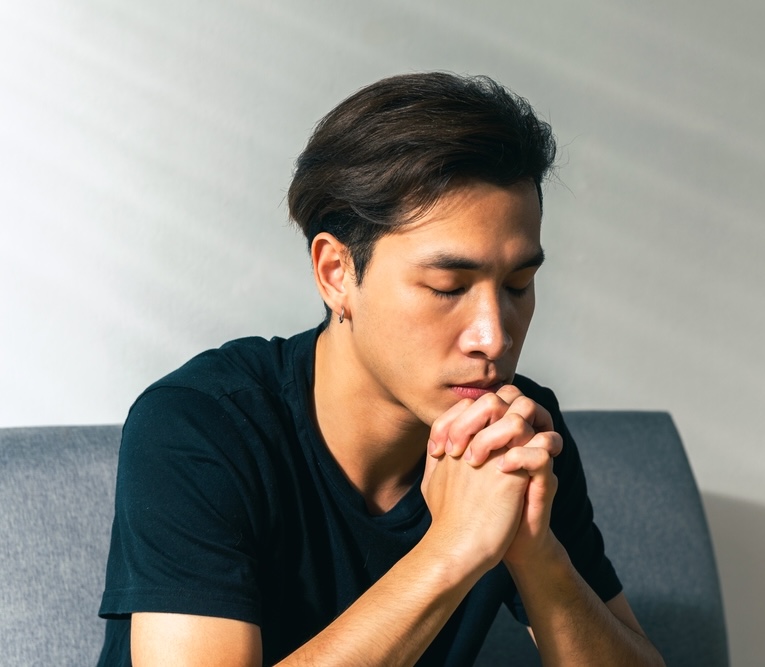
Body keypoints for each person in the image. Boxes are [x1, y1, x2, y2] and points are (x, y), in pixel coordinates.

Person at [97, 72, 665, 666]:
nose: (494, 336)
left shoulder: (514, 432)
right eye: (448, 287)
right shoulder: (198, 426)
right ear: (336, 273)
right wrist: (452, 550)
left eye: (519, 284)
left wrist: (538, 555)